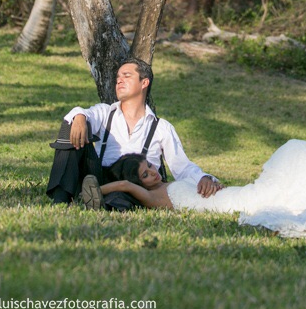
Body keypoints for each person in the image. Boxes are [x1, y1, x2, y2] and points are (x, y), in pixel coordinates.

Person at [81, 141, 306, 245]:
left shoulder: (166, 184)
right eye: (144, 175)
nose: (152, 173)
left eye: (150, 167)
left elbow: (197, 179)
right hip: (234, 204)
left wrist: (209, 180)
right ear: (137, 182)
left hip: (232, 192)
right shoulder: (150, 197)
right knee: (292, 159)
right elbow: (122, 186)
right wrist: (90, 191)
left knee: (296, 151)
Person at [46, 57, 221, 210]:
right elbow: (84, 114)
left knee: (123, 198)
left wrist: (204, 178)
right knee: (70, 126)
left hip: (137, 185)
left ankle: (103, 204)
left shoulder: (161, 127)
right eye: (118, 78)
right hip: (98, 177)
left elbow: (181, 166)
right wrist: (79, 115)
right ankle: (61, 200)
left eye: (126, 76)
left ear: (144, 83)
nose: (119, 81)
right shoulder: (106, 113)